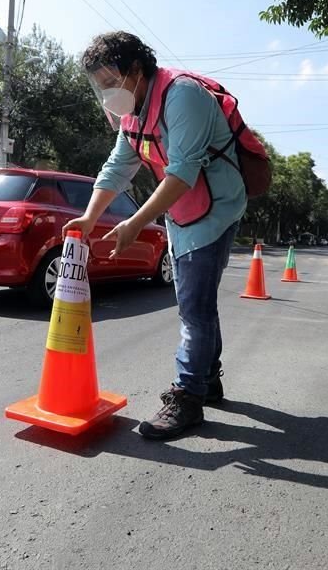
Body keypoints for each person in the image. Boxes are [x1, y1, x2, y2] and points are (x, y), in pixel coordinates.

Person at [65, 31, 248, 440]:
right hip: (182, 209)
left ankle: (188, 396)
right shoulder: (132, 113)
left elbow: (182, 171)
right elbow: (117, 167)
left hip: (216, 208)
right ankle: (207, 376)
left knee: (193, 308)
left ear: (136, 70)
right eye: (99, 85)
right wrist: (90, 217)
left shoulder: (183, 96)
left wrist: (135, 224)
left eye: (111, 81)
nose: (106, 92)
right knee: (196, 300)